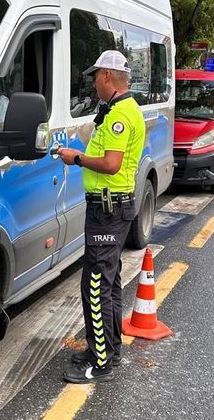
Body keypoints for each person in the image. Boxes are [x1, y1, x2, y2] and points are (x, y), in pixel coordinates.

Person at [56, 50, 146, 383]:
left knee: (94, 285)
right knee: (109, 282)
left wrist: (76, 158)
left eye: (96, 77)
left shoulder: (121, 114)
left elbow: (111, 164)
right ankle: (108, 348)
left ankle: (101, 362)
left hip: (109, 209)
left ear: (108, 76)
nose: (94, 84)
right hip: (109, 207)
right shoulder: (112, 112)